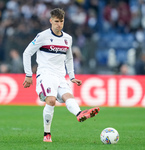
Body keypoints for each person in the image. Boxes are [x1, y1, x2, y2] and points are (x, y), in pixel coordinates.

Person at [22, 8, 100, 142]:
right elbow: (27, 53)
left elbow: (69, 59)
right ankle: (47, 133)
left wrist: (72, 76)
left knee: (68, 97)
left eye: (61, 21)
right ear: (51, 21)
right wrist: (29, 75)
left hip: (60, 76)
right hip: (45, 74)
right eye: (56, 21)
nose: (59, 24)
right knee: (51, 101)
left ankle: (79, 113)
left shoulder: (67, 39)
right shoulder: (42, 36)